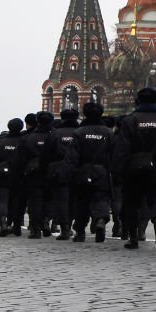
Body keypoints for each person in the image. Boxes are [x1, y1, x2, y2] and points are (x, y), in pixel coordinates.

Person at [113, 87, 156, 250]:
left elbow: (122, 147)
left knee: (132, 203)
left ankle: (133, 237)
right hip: (155, 165)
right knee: (154, 198)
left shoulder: (130, 120)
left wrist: (117, 170)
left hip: (133, 167)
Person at [70, 101, 113, 243]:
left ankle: (80, 231)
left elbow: (72, 156)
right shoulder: (108, 132)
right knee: (101, 198)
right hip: (102, 171)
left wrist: (70, 172)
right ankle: (100, 219)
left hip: (83, 170)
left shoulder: (79, 132)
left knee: (82, 201)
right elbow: (114, 154)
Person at [41, 107, 81, 240]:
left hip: (58, 169)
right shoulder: (80, 132)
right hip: (78, 169)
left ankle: (64, 228)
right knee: (76, 199)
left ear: (62, 118)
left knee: (61, 199)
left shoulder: (55, 133)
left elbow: (46, 154)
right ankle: (73, 225)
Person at [16, 111, 55, 239]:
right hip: (51, 172)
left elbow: (20, 159)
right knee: (49, 199)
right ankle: (46, 222)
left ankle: (35, 228)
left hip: (33, 173)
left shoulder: (28, 138)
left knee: (34, 202)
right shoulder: (55, 136)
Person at [0, 118, 24, 236]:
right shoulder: (23, 141)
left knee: (2, 201)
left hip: (3, 175)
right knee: (17, 202)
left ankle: (3, 223)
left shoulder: (0, 143)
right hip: (19, 176)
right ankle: (14, 225)